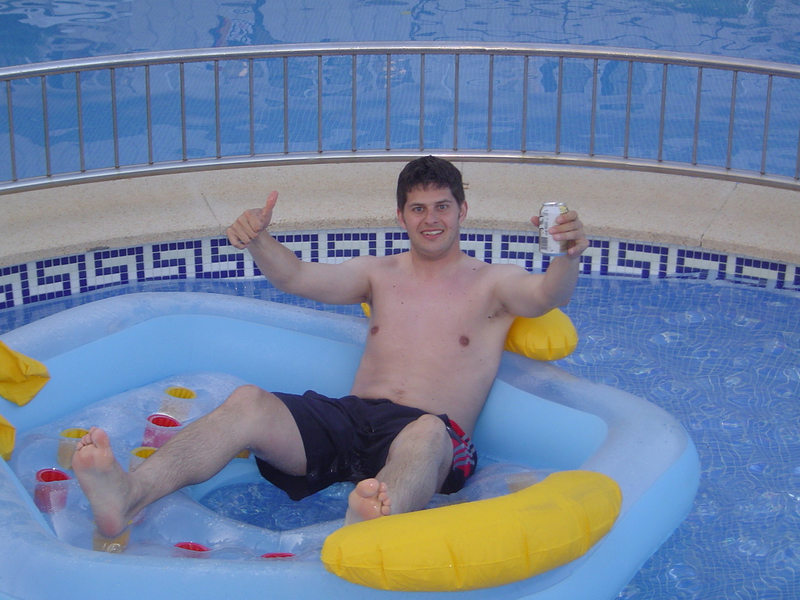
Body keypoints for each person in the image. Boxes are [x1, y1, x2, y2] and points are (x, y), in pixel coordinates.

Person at [72, 156, 588, 540]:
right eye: (418, 208)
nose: (431, 219)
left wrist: (566, 255)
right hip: (353, 419)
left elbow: (549, 294)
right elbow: (296, 276)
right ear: (401, 216)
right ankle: (129, 493)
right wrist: (258, 240)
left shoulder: (494, 283)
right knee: (249, 402)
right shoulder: (377, 273)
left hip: (430, 438)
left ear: (462, 211)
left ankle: (369, 531)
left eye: (442, 207)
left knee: (428, 431)